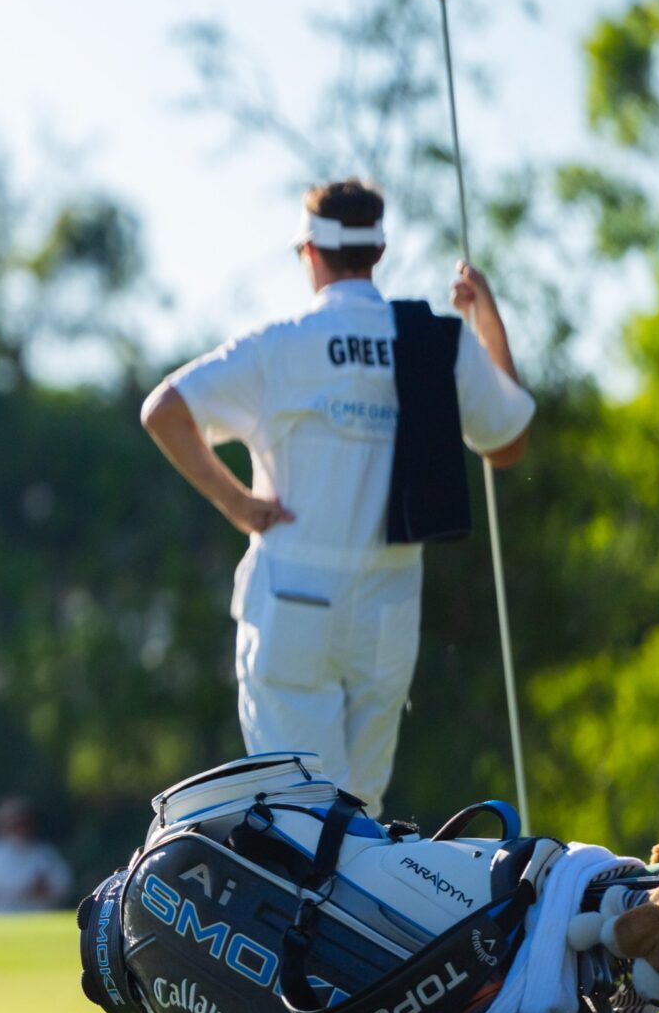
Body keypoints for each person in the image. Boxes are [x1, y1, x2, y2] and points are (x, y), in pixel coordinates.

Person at [139, 180, 536, 812]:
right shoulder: (437, 340)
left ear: (311, 253)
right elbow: (508, 441)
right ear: (377, 252)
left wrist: (237, 503)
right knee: (363, 809)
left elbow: (163, 411)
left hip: (293, 595)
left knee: (296, 809)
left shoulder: (280, 344)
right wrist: (485, 320)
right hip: (388, 600)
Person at [0, 795, 73, 913]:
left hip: (41, 917)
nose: (22, 828)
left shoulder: (44, 852)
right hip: (5, 918)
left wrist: (46, 888)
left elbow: (64, 883)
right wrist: (29, 886)